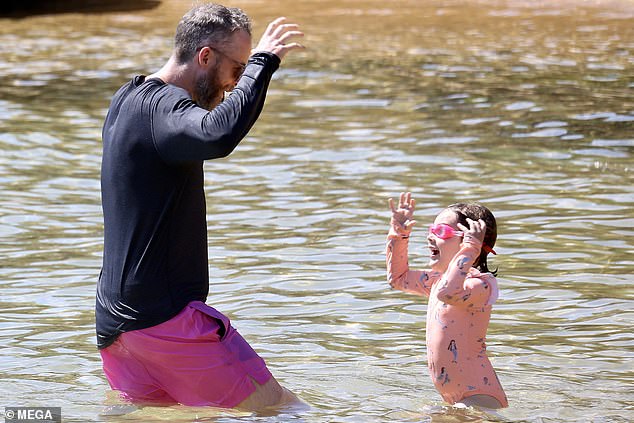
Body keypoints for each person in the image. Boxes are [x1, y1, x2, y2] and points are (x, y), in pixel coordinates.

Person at [97, 3, 304, 410]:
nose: (236, 83)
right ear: (205, 56)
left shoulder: (128, 99)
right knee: (281, 410)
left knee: (178, 417)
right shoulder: (162, 108)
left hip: (118, 326)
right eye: (237, 69)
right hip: (164, 322)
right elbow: (217, 135)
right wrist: (264, 63)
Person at [385, 192, 508, 409]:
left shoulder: (480, 286)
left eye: (441, 231)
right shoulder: (437, 281)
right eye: (431, 230)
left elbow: (448, 294)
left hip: (478, 397)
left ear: (470, 242)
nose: (430, 236)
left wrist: (470, 249)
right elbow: (398, 278)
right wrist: (399, 233)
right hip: (456, 399)